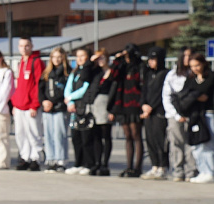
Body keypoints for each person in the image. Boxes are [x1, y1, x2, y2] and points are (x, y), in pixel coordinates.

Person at [172, 49, 214, 184]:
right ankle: (202, 171)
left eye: (197, 65)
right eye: (192, 66)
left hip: (208, 113)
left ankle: (210, 172)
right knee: (196, 144)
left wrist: (194, 95)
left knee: (208, 143)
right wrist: (195, 96)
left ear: (203, 63)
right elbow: (185, 94)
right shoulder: (191, 79)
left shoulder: (212, 77)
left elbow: (205, 91)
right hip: (195, 114)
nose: (195, 69)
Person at [105, 45, 145, 178]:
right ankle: (129, 166)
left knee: (136, 135)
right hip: (122, 103)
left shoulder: (139, 66)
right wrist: (117, 60)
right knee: (127, 136)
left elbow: (142, 83)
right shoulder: (121, 66)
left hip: (135, 103)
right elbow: (112, 76)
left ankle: (137, 167)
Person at [64, 47, 103, 176]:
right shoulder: (74, 72)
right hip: (74, 107)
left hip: (84, 106)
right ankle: (78, 163)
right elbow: (68, 88)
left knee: (86, 137)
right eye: (77, 56)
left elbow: (85, 87)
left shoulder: (90, 71)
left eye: (83, 56)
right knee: (76, 138)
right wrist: (69, 101)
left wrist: (71, 97)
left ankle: (89, 163)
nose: (79, 59)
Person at [9, 37, 45, 172]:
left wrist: (35, 104)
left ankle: (35, 158)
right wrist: (15, 103)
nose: (24, 49)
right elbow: (19, 84)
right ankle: (25, 157)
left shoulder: (36, 62)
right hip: (19, 105)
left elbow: (37, 84)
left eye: (27, 46)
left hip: (31, 105)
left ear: (31, 46)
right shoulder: (20, 62)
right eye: (21, 46)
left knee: (34, 132)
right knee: (20, 133)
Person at [164, 49, 196, 183]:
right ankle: (178, 170)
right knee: (176, 142)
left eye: (190, 56)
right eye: (185, 56)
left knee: (191, 143)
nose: (187, 58)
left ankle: (192, 171)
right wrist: (176, 115)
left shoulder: (195, 74)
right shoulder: (172, 74)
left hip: (191, 113)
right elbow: (166, 96)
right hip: (174, 114)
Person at [41, 46, 73, 173]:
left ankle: (61, 160)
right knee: (48, 135)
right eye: (54, 57)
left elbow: (66, 90)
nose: (57, 59)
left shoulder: (67, 73)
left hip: (60, 108)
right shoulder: (47, 73)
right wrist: (44, 101)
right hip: (48, 109)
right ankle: (51, 159)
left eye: (59, 57)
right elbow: (41, 89)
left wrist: (54, 102)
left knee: (59, 135)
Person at [141, 48, 170, 179]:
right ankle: (154, 165)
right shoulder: (148, 74)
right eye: (150, 59)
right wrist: (144, 105)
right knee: (150, 139)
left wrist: (151, 107)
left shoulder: (165, 74)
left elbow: (162, 94)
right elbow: (144, 91)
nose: (151, 62)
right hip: (148, 112)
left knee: (160, 140)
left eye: (154, 59)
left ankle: (162, 167)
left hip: (159, 111)